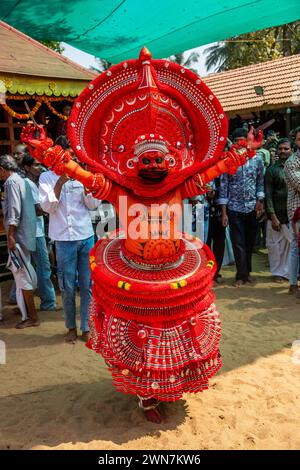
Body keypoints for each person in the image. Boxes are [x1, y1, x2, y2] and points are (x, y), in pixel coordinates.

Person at [21, 47, 262, 423]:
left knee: (176, 334)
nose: (153, 166)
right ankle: (146, 396)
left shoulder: (180, 187)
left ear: (170, 162)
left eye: (159, 161)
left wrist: (244, 153)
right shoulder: (121, 191)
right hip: (132, 271)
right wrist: (48, 153)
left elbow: (215, 171)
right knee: (140, 337)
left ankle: (169, 384)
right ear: (133, 163)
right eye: (145, 161)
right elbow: (80, 173)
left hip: (174, 268)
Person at [38, 138, 100, 343]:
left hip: (86, 236)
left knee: (87, 284)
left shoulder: (84, 176)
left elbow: (93, 206)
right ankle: (71, 326)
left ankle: (86, 326)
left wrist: (85, 184)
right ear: (56, 156)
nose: (69, 160)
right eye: (65, 156)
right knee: (66, 286)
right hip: (63, 239)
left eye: (72, 157)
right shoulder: (46, 177)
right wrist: (60, 182)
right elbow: (47, 208)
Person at [219, 127, 265, 287]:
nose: (241, 142)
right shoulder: (227, 160)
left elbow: (260, 182)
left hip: (252, 207)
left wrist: (260, 200)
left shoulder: (257, 159)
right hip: (234, 208)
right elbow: (223, 187)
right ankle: (240, 275)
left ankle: (248, 273)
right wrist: (224, 212)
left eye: (243, 139)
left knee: (250, 242)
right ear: (233, 142)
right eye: (237, 139)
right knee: (238, 243)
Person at [0, 155, 39, 328]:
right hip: (26, 234)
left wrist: (10, 235)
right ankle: (27, 312)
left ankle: (32, 317)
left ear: (2, 169)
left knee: (22, 276)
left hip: (18, 236)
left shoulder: (10, 183)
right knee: (22, 275)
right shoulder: (22, 180)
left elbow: (14, 211)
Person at [22, 154, 57, 310]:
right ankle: (48, 301)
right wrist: (50, 207)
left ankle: (17, 298)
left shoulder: (30, 183)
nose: (39, 168)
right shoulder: (29, 184)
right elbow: (38, 208)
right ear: (27, 168)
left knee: (31, 265)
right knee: (43, 266)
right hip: (36, 231)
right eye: (35, 165)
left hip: (34, 230)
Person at [265, 139, 292, 282]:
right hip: (277, 214)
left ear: (291, 150)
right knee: (275, 247)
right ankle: (278, 273)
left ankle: (290, 272)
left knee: (291, 246)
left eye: (285, 149)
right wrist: (272, 215)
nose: (282, 151)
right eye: (280, 149)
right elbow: (268, 195)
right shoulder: (272, 170)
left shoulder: (295, 168)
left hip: (293, 213)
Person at [284, 127, 300, 295]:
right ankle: (293, 284)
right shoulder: (292, 162)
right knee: (296, 246)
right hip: (297, 212)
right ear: (296, 142)